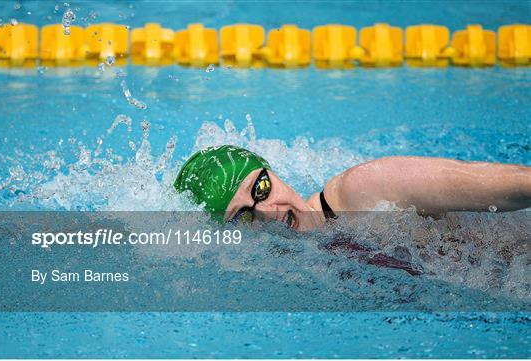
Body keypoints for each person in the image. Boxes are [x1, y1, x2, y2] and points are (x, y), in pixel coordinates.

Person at [174, 145, 531, 231]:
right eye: (243, 216)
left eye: (261, 188)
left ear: (272, 171)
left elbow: (512, 185)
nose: (268, 211)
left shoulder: (367, 187)